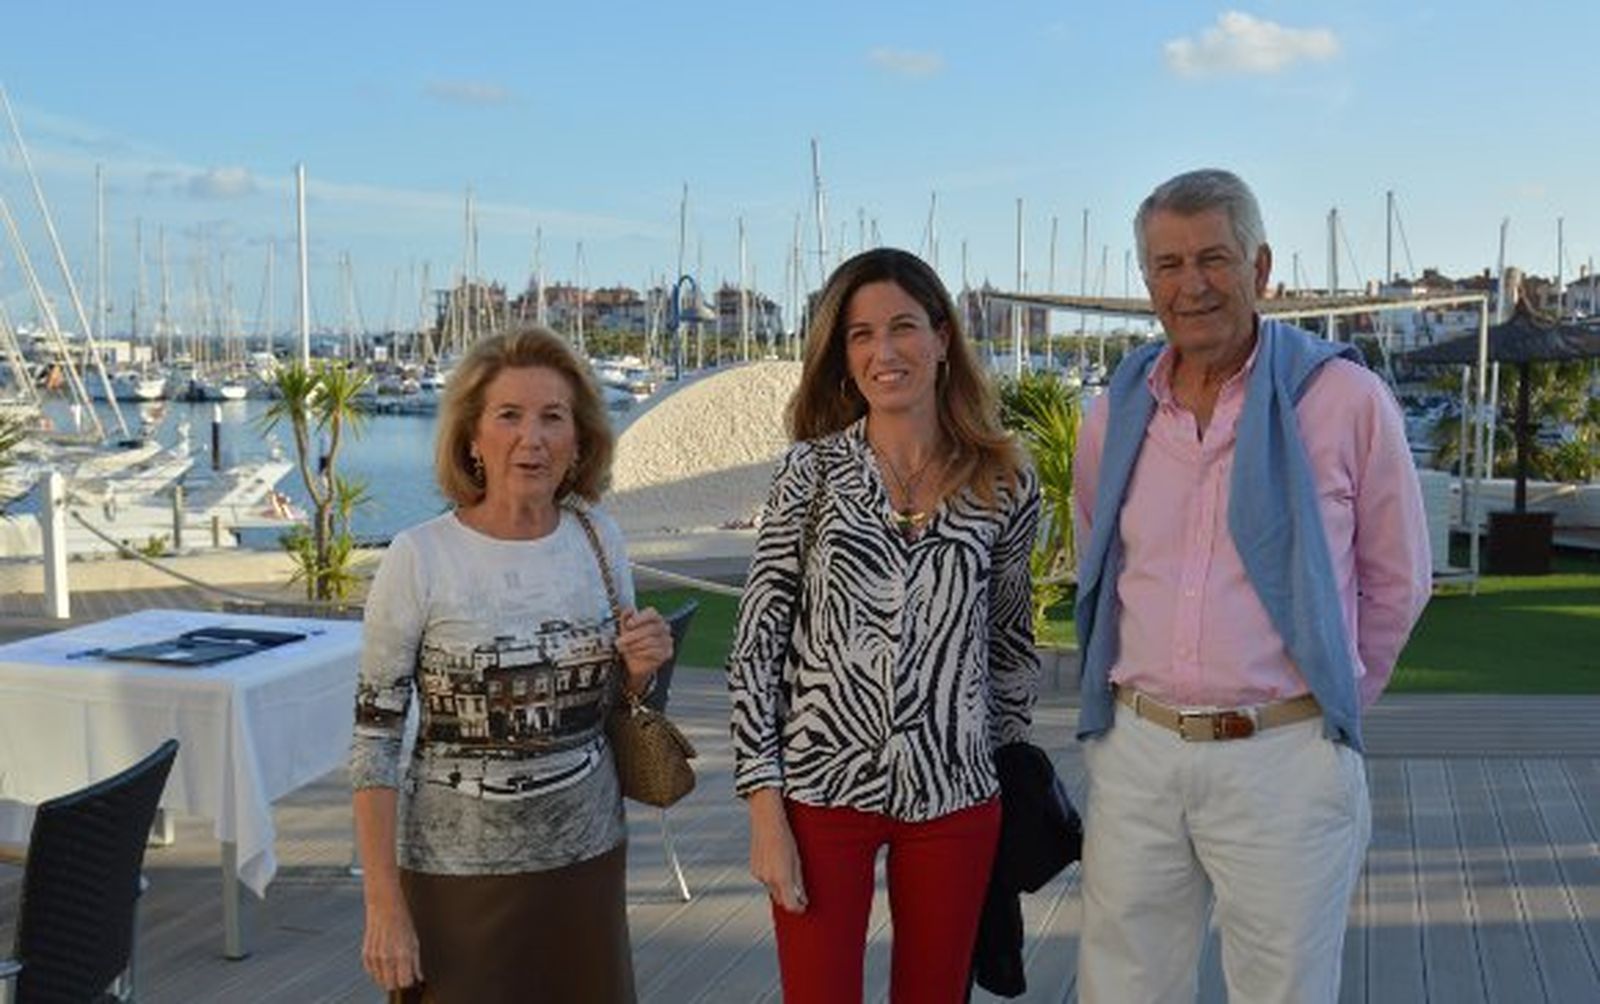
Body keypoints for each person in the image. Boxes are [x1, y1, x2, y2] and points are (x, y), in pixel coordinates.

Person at [1072, 168, 1432, 1003]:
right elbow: (1101, 558)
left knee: (1284, 992)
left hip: (1284, 756)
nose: (1190, 285)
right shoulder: (1115, 412)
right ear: (1147, 280)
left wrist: (1320, 708)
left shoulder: (1345, 400)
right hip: (1138, 753)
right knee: (1122, 987)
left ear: (1261, 267)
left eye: (1213, 258)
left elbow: (1398, 581)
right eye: (1167, 264)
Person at [727, 247, 1042, 1003]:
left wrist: (1009, 777)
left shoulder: (1003, 478)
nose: (883, 351)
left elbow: (1008, 646)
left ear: (941, 338)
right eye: (860, 335)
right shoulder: (810, 472)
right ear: (842, 355)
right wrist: (764, 810)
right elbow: (756, 648)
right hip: (818, 792)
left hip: (956, 797)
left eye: (902, 327)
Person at [350, 326, 673, 1003]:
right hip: (455, 877)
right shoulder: (420, 556)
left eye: (553, 417)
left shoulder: (599, 538)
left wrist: (641, 669)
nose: (533, 438)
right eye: (509, 415)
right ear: (472, 437)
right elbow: (375, 741)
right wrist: (383, 905)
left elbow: (616, 708)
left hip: (586, 861)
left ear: (579, 440)